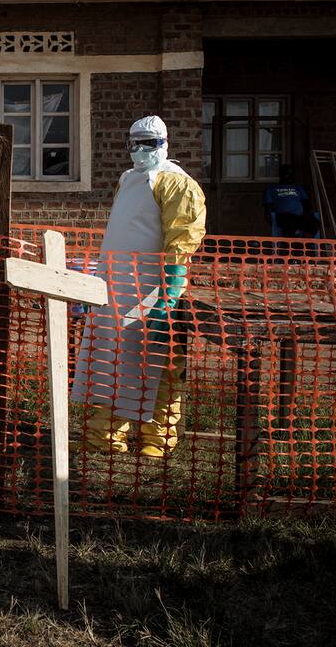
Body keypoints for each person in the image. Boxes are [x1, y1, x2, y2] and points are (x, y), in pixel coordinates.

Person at [72, 115, 207, 458]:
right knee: (109, 361)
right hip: (114, 290)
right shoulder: (127, 179)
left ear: (163, 144)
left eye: (147, 144)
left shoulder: (177, 184)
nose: (139, 150)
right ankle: (104, 435)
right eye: (133, 144)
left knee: (158, 363)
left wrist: (170, 292)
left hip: (151, 290)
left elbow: (183, 237)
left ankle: (157, 439)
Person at [264, 165, 320, 237]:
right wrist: (269, 218)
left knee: (314, 224)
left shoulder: (298, 187)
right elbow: (268, 207)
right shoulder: (271, 188)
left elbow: (306, 203)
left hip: (299, 217)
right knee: (290, 223)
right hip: (283, 216)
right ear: (281, 175)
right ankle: (290, 242)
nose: (290, 177)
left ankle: (303, 242)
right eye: (287, 174)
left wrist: (308, 214)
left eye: (292, 175)